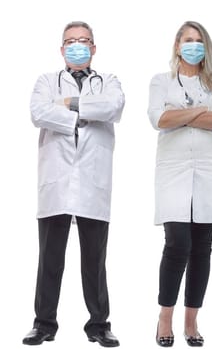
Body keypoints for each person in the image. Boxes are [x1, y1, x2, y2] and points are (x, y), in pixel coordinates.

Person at [24, 21, 124, 347]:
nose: (77, 46)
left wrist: (67, 104)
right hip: (56, 184)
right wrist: (84, 114)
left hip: (93, 184)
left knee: (94, 261)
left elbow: (113, 107)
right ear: (62, 49)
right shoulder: (46, 81)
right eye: (71, 41)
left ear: (94, 48)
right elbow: (38, 112)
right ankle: (43, 324)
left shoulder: (108, 81)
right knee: (49, 259)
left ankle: (99, 325)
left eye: (84, 41)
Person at [148, 21, 212, 348]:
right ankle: (164, 316)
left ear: (207, 47)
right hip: (173, 170)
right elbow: (157, 118)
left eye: (199, 41)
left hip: (210, 169)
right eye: (188, 40)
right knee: (177, 244)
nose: (193, 46)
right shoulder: (161, 82)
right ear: (177, 46)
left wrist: (182, 112)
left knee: (202, 247)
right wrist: (201, 112)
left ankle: (191, 320)